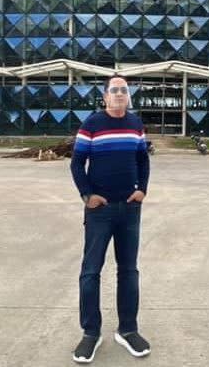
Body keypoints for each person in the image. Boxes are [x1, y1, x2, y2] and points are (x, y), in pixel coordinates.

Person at [70, 74, 151, 363]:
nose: (119, 94)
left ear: (129, 96)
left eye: (124, 90)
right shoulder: (92, 124)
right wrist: (87, 195)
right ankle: (90, 333)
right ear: (105, 96)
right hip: (99, 211)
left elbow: (143, 158)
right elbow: (77, 162)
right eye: (114, 90)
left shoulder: (135, 124)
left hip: (129, 210)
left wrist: (142, 189)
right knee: (91, 271)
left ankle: (128, 330)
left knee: (129, 271)